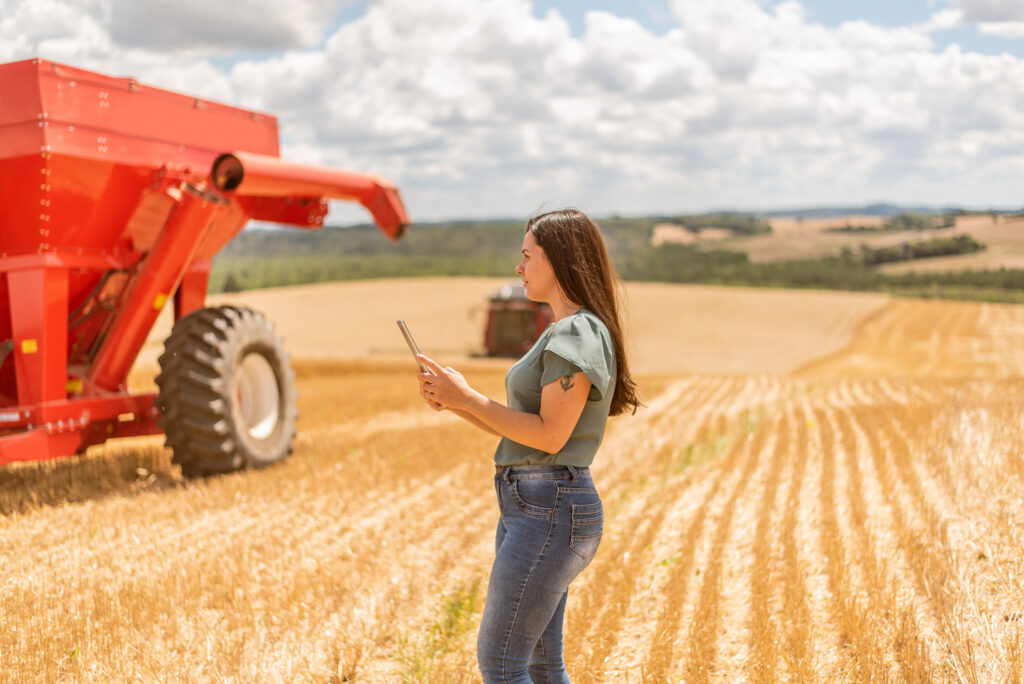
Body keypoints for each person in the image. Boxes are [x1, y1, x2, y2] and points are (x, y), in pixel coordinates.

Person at [415, 208, 640, 683]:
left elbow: (550, 436)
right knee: (537, 664)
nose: (519, 268)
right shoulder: (572, 330)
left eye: (527, 256)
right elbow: (525, 432)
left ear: (558, 260)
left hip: (549, 509)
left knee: (501, 664)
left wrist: (470, 397)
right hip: (535, 507)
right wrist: (456, 402)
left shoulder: (577, 331)